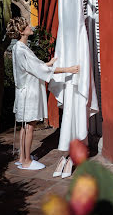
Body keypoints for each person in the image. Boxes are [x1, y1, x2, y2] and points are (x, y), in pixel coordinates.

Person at [6, 17, 79, 171]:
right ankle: (26, 161)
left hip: (24, 91)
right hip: (28, 93)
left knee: (25, 126)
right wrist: (68, 69)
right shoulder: (21, 50)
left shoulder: (19, 48)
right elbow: (39, 70)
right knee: (30, 126)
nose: (30, 27)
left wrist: (48, 64)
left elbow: (33, 67)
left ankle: (22, 158)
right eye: (27, 26)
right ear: (21, 31)